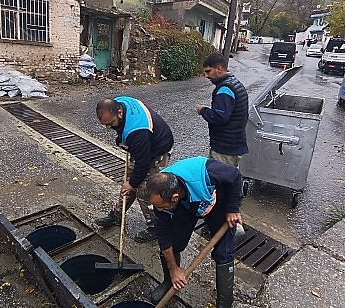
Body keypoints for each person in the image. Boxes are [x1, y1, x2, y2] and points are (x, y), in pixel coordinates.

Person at [145, 156, 243, 307]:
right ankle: (169, 282)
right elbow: (164, 239)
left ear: (174, 197)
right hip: (187, 206)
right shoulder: (161, 199)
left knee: (223, 252)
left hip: (218, 201)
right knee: (174, 243)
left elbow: (235, 176)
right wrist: (174, 270)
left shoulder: (207, 171)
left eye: (161, 207)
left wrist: (233, 209)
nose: (158, 210)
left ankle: (225, 303)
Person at [94, 96, 174, 243]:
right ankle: (119, 213)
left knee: (146, 190)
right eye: (106, 125)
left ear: (119, 113)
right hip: (142, 146)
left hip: (156, 148)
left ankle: (155, 226)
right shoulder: (120, 101)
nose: (109, 127)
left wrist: (133, 183)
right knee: (128, 183)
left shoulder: (137, 131)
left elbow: (143, 163)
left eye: (111, 123)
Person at [196, 53, 249, 166]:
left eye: (208, 71)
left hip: (224, 148)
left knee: (219, 179)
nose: (206, 76)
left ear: (219, 69)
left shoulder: (225, 89)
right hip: (234, 144)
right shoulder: (234, 83)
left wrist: (203, 110)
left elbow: (220, 117)